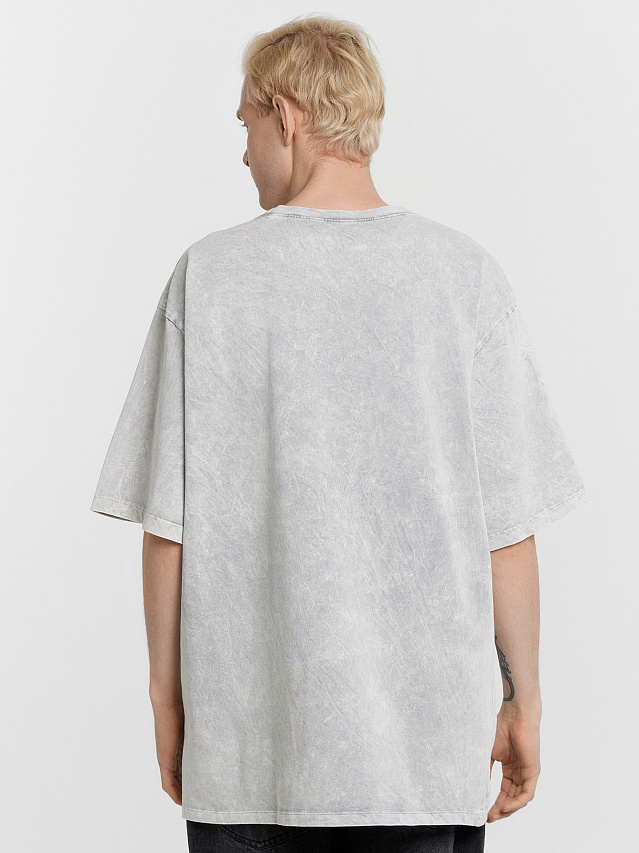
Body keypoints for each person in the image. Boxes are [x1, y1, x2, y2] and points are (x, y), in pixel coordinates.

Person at [89, 14, 587, 853]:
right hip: (421, 760)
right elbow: (505, 529)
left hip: (249, 757)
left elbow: (169, 527)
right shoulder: (462, 276)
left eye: (246, 124)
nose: (243, 151)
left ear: (286, 116)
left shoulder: (211, 276)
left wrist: (166, 700)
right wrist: (523, 700)